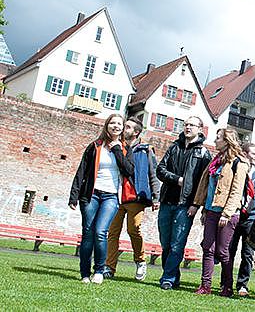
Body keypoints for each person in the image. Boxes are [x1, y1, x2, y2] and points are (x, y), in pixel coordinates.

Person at [69, 113, 134, 284]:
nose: (116, 126)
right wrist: (74, 195)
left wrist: (117, 149)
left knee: (100, 232)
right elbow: (81, 170)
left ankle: (99, 270)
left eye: (119, 124)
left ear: (122, 128)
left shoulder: (126, 149)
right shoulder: (95, 146)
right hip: (91, 194)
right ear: (106, 126)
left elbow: (129, 171)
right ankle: (84, 273)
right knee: (88, 233)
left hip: (111, 196)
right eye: (112, 123)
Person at [190, 128, 249, 296]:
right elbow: (206, 186)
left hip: (227, 213)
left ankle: (227, 286)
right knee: (208, 248)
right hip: (210, 211)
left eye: (218, 138)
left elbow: (236, 191)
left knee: (223, 251)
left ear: (227, 141)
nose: (215, 140)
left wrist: (227, 213)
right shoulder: (215, 161)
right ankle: (205, 286)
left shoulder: (240, 163)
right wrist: (201, 208)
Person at [156, 116, 212, 290]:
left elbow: (204, 183)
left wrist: (196, 204)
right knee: (165, 242)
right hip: (167, 200)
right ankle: (173, 276)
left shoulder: (203, 153)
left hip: (186, 204)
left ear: (199, 129)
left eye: (192, 125)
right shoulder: (174, 147)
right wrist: (177, 179)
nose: (187, 127)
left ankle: (168, 278)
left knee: (177, 243)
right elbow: (160, 170)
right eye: (186, 124)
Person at [104, 116, 161, 281]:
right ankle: (109, 266)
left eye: (128, 127)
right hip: (116, 195)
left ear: (136, 132)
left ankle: (141, 261)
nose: (124, 129)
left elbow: (153, 173)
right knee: (112, 232)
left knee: (133, 230)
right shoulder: (117, 146)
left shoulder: (145, 149)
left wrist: (156, 198)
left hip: (135, 197)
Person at [227, 142, 255, 297]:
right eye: (253, 153)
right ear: (244, 153)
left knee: (247, 253)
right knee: (229, 250)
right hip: (235, 213)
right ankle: (226, 283)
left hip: (251, 216)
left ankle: (242, 285)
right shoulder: (235, 166)